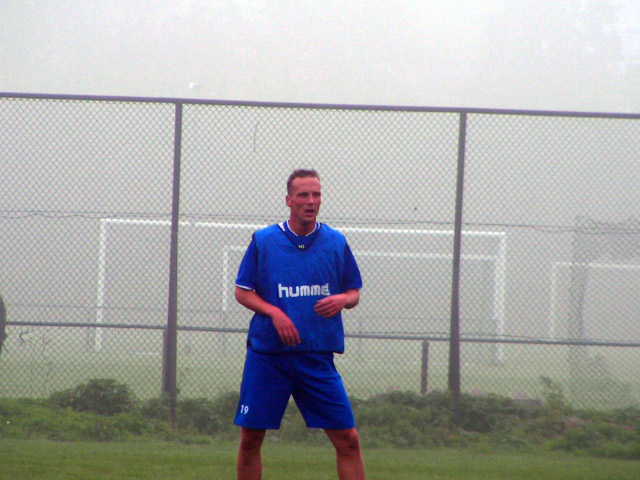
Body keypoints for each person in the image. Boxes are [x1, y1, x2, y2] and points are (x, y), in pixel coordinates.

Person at [233, 169, 366, 480]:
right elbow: (242, 291)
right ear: (289, 200)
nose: (311, 201)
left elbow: (354, 291)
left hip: (316, 357)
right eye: (304, 195)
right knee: (251, 439)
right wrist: (275, 313)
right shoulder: (265, 240)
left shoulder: (335, 242)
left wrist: (343, 300)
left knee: (348, 440)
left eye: (316, 194)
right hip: (269, 357)